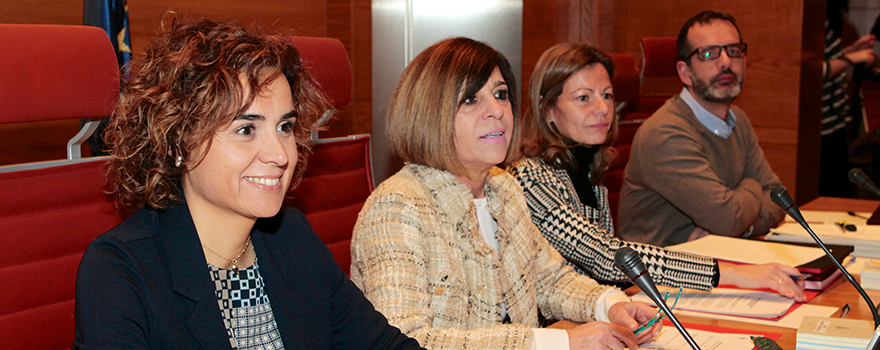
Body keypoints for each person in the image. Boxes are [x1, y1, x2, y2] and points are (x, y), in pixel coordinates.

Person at [73, 19, 422, 350]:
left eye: (284, 127)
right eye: (246, 129)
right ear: (178, 141)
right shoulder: (120, 270)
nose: (280, 154)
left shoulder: (292, 238)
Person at [350, 37, 661, 350]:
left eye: (500, 94)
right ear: (430, 114)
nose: (497, 110)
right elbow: (406, 340)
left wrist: (609, 304)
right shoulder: (397, 207)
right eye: (471, 100)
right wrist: (559, 342)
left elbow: (549, 279)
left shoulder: (503, 188)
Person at [507, 43, 806, 300]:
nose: (603, 109)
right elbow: (606, 256)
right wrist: (735, 274)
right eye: (584, 98)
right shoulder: (530, 179)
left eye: (608, 95)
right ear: (548, 110)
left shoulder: (588, 174)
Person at [618, 10, 786, 247]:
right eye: (709, 54)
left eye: (734, 51)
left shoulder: (738, 119)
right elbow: (727, 219)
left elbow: (779, 198)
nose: (726, 62)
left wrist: (742, 228)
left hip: (719, 260)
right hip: (660, 276)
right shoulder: (665, 133)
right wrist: (753, 187)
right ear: (685, 73)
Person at [821, 0, 876, 197]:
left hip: (835, 120)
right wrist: (850, 59)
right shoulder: (809, 17)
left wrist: (851, 50)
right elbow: (808, 69)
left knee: (840, 185)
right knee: (829, 189)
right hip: (821, 124)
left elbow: (826, 59)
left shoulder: (826, 18)